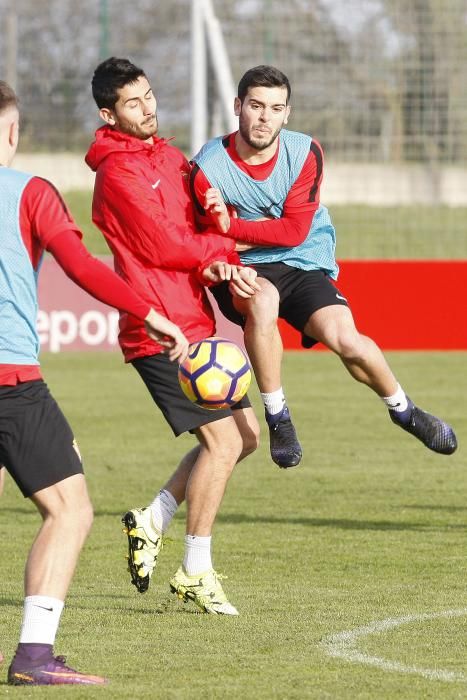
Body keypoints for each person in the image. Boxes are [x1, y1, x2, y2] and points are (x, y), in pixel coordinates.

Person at [0, 81, 190, 686]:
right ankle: (34, 656)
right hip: (10, 380)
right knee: (70, 510)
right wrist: (148, 311)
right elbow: (80, 265)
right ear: (12, 130)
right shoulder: (30, 192)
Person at [190, 64, 457, 464]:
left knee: (347, 340)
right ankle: (278, 415)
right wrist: (230, 250)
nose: (264, 118)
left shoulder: (304, 152)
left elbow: (295, 232)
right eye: (256, 106)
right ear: (237, 106)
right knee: (262, 303)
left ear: (287, 113)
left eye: (275, 109)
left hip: (303, 259)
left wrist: (235, 226)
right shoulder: (207, 166)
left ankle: (403, 409)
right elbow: (202, 235)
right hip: (242, 267)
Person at [86, 57, 261, 616]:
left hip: (196, 320)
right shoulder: (117, 174)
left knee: (247, 437)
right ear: (108, 114)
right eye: (133, 103)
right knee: (224, 443)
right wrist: (222, 251)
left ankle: (152, 518)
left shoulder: (169, 156)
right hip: (157, 330)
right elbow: (161, 247)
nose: (148, 107)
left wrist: (215, 215)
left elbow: (197, 227)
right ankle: (195, 569)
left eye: (150, 95)